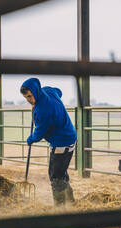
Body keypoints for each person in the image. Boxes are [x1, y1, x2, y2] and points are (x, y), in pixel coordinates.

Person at [20, 77, 77, 206]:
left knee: (55, 176)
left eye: (30, 96)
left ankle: (60, 206)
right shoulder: (48, 91)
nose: (29, 100)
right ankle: (71, 202)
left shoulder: (42, 110)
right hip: (70, 136)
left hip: (61, 142)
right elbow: (59, 91)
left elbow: (39, 133)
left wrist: (30, 139)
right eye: (26, 98)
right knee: (61, 172)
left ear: (35, 91)